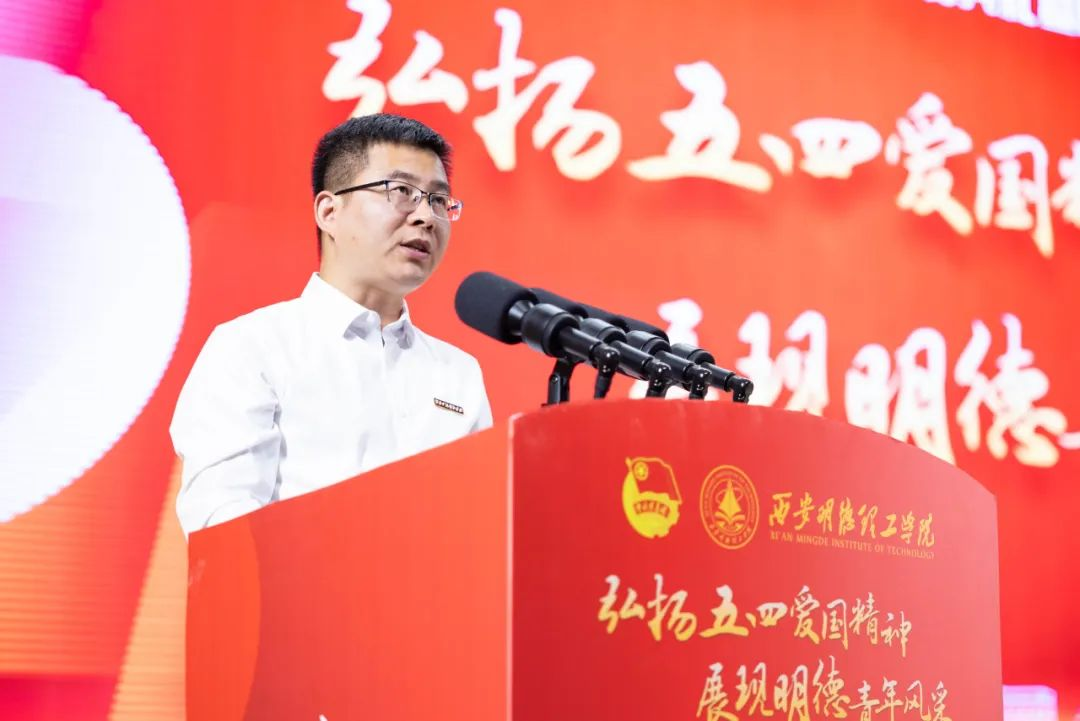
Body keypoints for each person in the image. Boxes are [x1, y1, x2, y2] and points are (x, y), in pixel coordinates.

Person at [170, 113, 492, 537]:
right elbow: (224, 525)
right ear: (329, 211)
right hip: (295, 581)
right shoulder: (252, 347)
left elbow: (477, 525)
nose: (426, 217)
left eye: (438, 200)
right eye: (401, 192)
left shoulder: (458, 373)